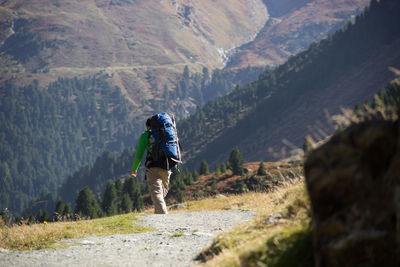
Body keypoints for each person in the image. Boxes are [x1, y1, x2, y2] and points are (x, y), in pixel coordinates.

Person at [130, 116, 178, 214]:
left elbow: (139, 154)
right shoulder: (167, 133)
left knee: (157, 194)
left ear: (148, 126)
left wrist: (134, 169)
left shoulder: (145, 135)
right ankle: (158, 220)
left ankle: (163, 218)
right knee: (161, 194)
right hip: (167, 166)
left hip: (153, 167)